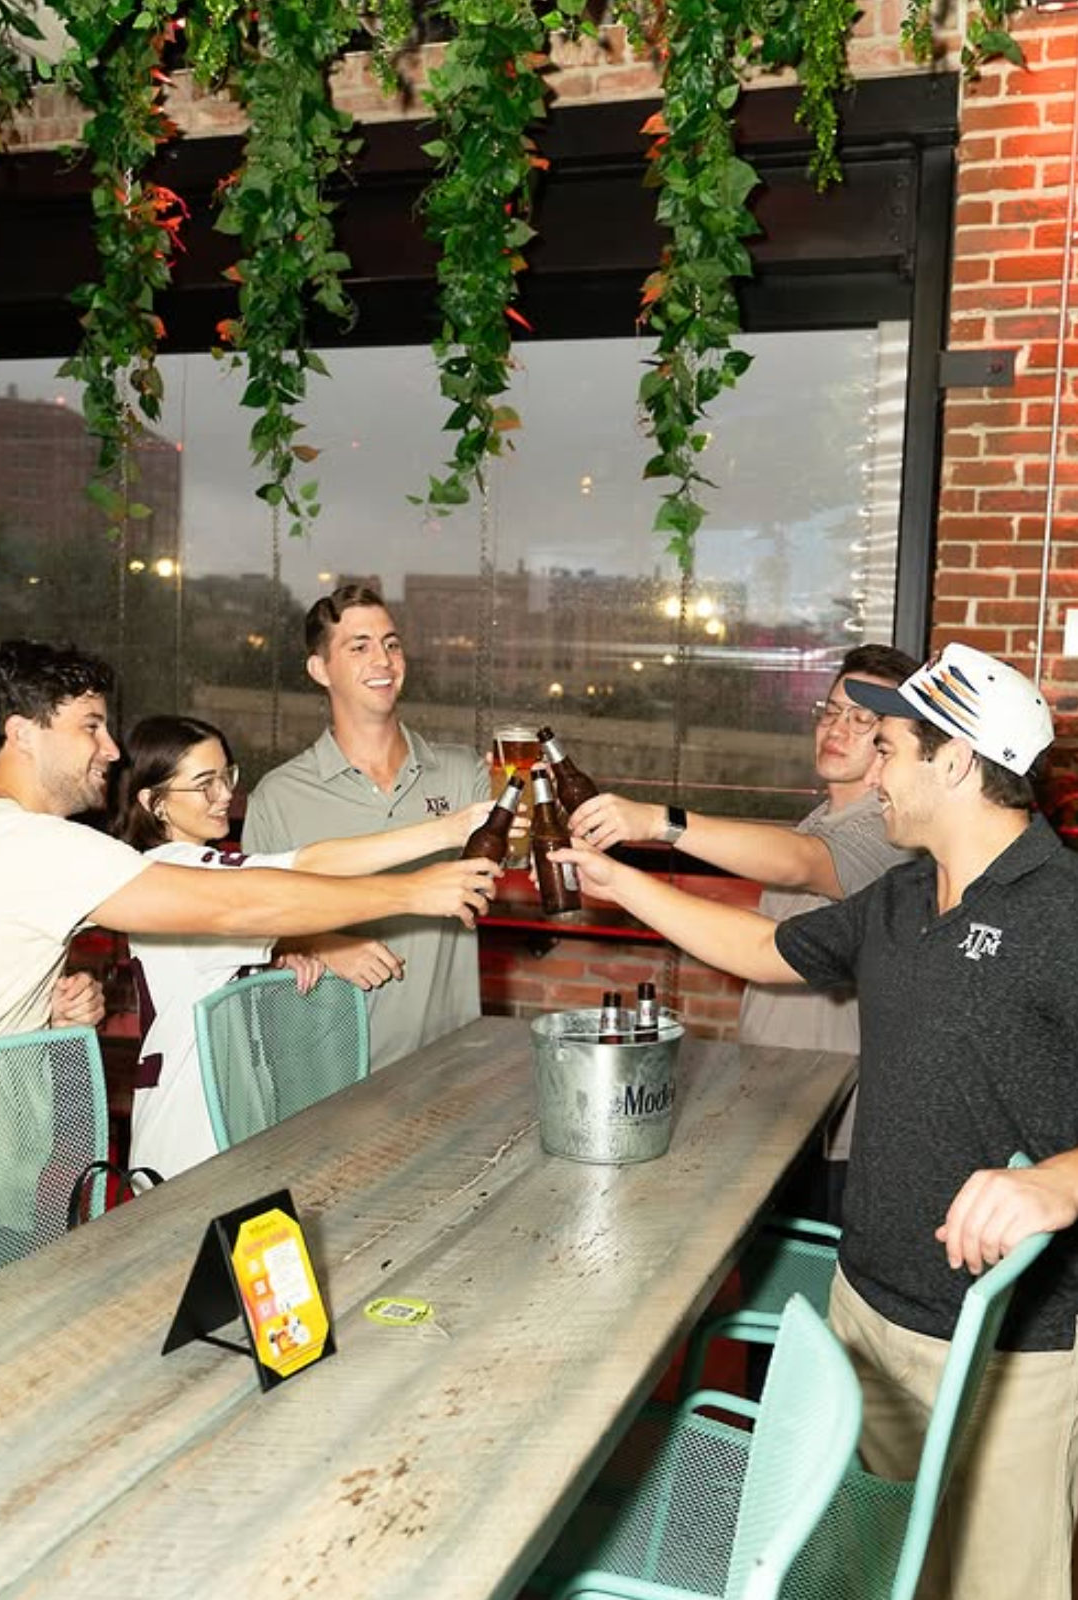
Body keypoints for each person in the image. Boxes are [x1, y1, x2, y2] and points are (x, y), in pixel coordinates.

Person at [551, 642, 1077, 1600]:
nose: (875, 771)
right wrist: (623, 882)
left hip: (1012, 1340)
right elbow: (761, 948)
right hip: (865, 1307)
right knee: (859, 1574)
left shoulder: (1064, 911)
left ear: (955, 763)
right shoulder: (906, 893)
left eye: (890, 749)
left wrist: (1056, 1179)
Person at [0, 640, 499, 1342]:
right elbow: (237, 905)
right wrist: (414, 891)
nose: (113, 749)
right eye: (90, 725)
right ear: (23, 734)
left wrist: (47, 1013)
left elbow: (276, 872)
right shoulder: (22, 844)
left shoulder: (14, 845)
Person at [567, 642, 919, 1221]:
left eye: (863, 720)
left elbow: (803, 862)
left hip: (838, 1127)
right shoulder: (820, 817)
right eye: (830, 711)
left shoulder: (890, 832)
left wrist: (659, 821)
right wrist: (623, 883)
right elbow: (758, 938)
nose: (837, 728)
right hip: (784, 1105)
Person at [113, 714, 492, 1178]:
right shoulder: (177, 873)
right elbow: (305, 866)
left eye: (227, 776)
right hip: (189, 1136)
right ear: (155, 803)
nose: (224, 795)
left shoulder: (194, 865)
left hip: (235, 1118)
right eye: (204, 784)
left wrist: (286, 953)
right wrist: (443, 838)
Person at [243, 585, 490, 1069]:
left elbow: (520, 860)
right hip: (327, 1072)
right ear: (320, 670)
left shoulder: (465, 775)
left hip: (448, 1061)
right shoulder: (279, 795)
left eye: (391, 644)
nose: (383, 659)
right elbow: (250, 929)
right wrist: (323, 944)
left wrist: (538, 807)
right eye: (359, 647)